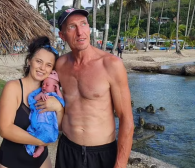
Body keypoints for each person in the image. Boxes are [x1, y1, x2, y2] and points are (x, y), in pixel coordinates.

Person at [51, 8, 134, 168]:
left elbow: (126, 119)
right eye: (72, 27)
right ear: (62, 35)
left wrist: (120, 164)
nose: (80, 32)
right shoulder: (60, 65)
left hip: (102, 154)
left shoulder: (111, 65)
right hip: (67, 150)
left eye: (83, 24)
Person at [0, 36, 64, 168]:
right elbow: (5, 129)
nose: (42, 68)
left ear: (52, 70)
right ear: (29, 61)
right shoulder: (13, 88)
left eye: (48, 65)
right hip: (12, 160)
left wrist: (59, 108)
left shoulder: (49, 94)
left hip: (41, 160)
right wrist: (41, 142)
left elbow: (60, 127)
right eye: (39, 61)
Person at [25, 70, 65, 158]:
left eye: (47, 85)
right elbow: (32, 100)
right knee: (33, 131)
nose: (44, 86)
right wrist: (40, 96)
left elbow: (62, 102)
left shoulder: (55, 95)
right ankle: (33, 146)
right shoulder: (41, 93)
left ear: (54, 87)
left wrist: (58, 90)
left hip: (48, 122)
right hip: (39, 119)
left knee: (45, 133)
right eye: (43, 84)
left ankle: (41, 147)